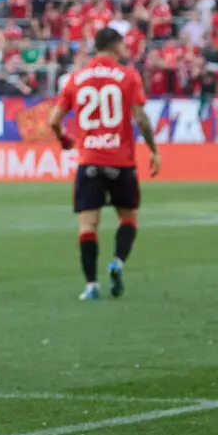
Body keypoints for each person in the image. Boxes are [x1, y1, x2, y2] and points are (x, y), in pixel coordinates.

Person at [49, 27, 160, 301]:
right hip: (121, 161)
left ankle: (91, 286)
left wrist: (64, 139)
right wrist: (153, 150)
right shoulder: (128, 76)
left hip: (89, 160)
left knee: (88, 226)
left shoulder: (76, 78)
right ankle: (118, 261)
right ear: (117, 46)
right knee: (128, 218)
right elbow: (141, 118)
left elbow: (53, 120)